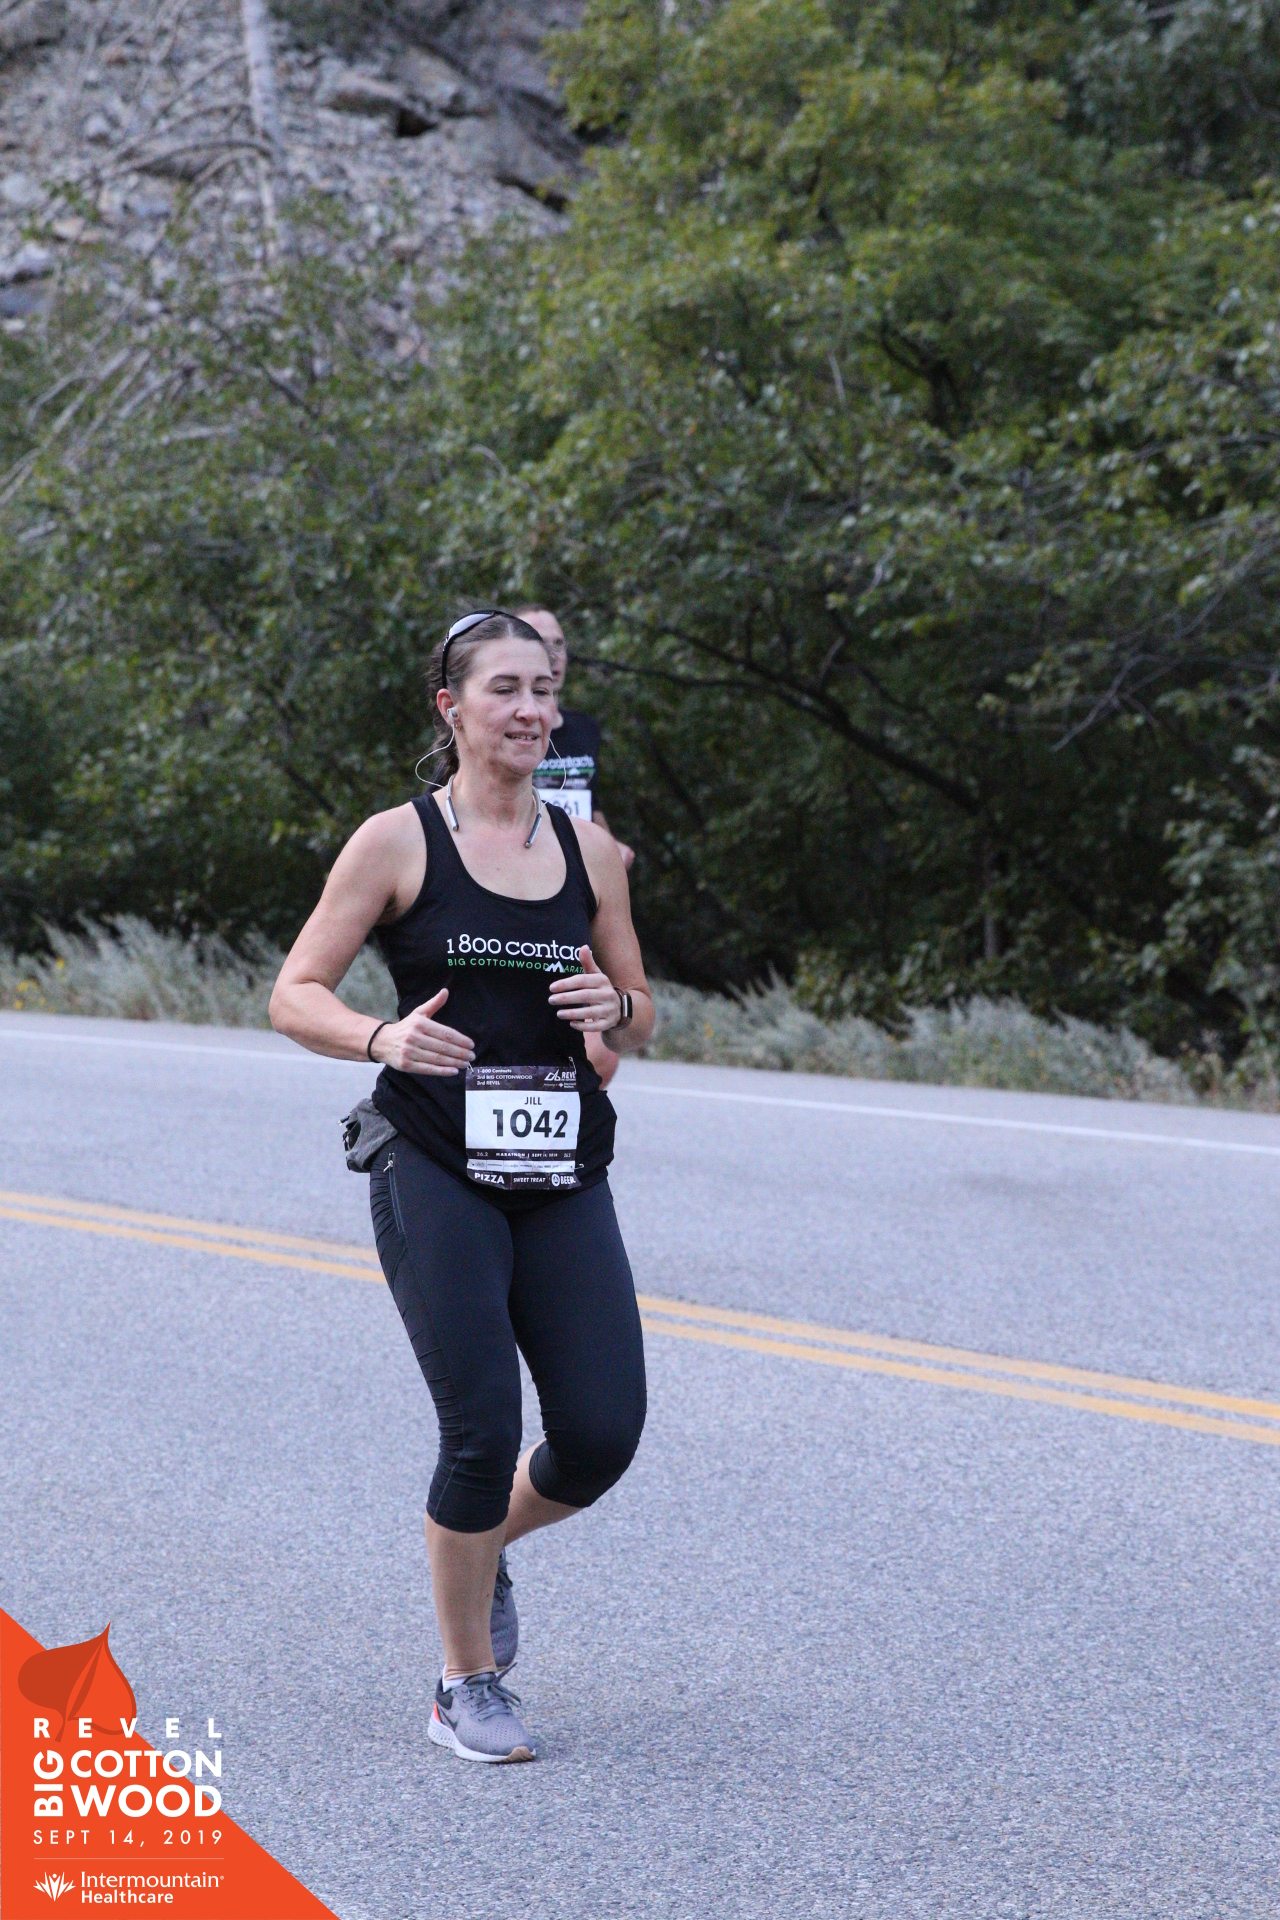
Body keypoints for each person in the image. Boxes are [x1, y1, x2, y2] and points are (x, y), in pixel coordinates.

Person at [269, 609, 655, 1764]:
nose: (530, 710)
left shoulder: (588, 853)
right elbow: (294, 993)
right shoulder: (396, 843)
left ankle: (483, 1551)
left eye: (543, 690)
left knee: (599, 1435)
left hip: (558, 1166)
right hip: (431, 1157)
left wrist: (613, 1010)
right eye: (504, 689)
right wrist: (380, 1037)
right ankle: (464, 1682)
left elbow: (639, 1012)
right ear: (452, 707)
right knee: (481, 1430)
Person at [517, 606, 633, 1090]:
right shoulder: (505, 729)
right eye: (540, 642)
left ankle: (570, 1116)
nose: (553, 655)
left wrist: (611, 845)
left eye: (560, 643)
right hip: (520, 876)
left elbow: (588, 800)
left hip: (581, 879)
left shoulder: (584, 729)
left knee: (601, 1051)